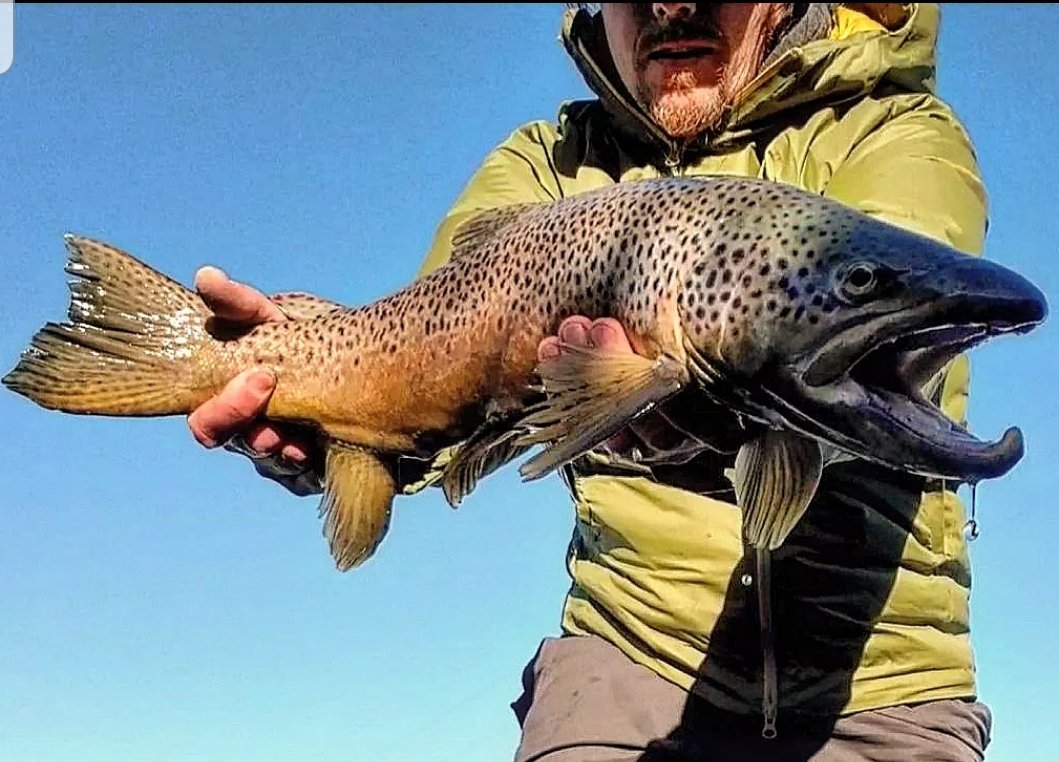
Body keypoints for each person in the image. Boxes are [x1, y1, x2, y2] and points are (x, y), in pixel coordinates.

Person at [187, 4, 995, 760]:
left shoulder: (895, 128)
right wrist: (317, 436)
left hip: (882, 690)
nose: (671, 6)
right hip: (622, 664)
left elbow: (856, 345)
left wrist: (707, 399)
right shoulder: (545, 164)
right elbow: (420, 372)